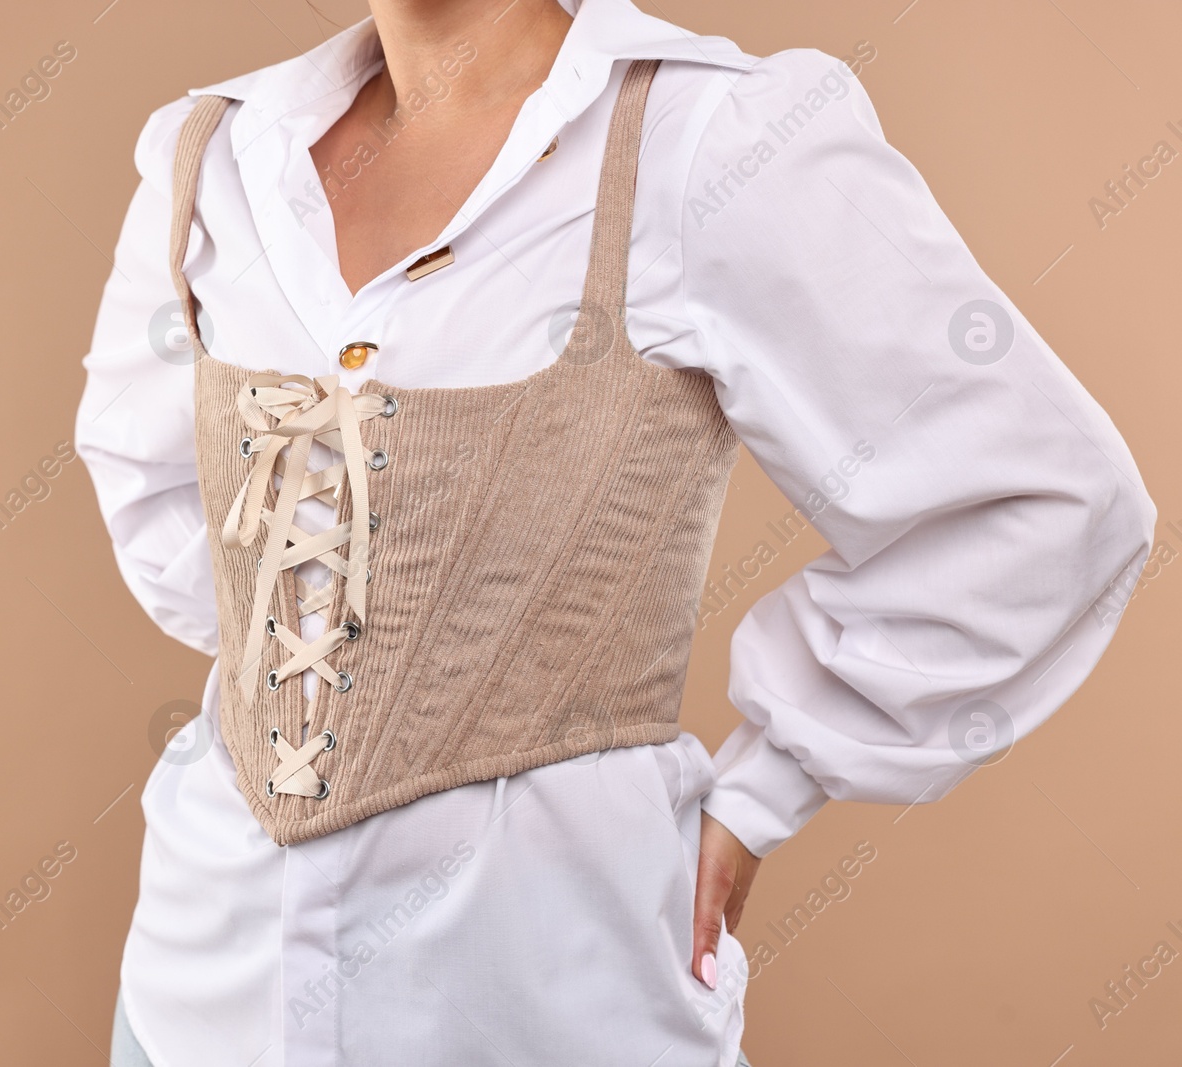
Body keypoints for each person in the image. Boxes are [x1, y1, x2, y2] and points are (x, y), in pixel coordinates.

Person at [74, 0, 1156, 1063]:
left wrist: (764, 788)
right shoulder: (214, 155)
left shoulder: (708, 142)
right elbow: (162, 496)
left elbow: (1047, 493)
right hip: (196, 994)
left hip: (549, 999)